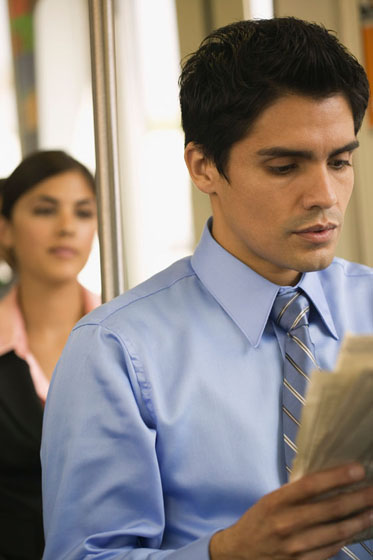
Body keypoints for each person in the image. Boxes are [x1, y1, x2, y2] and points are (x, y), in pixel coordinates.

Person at [41, 17, 373, 560]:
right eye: (285, 166)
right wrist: (228, 554)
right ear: (203, 167)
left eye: (340, 161)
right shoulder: (116, 351)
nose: (325, 195)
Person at [0, 150, 99, 560]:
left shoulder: (135, 340)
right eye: (45, 211)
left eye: (83, 213)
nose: (66, 228)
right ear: (5, 229)